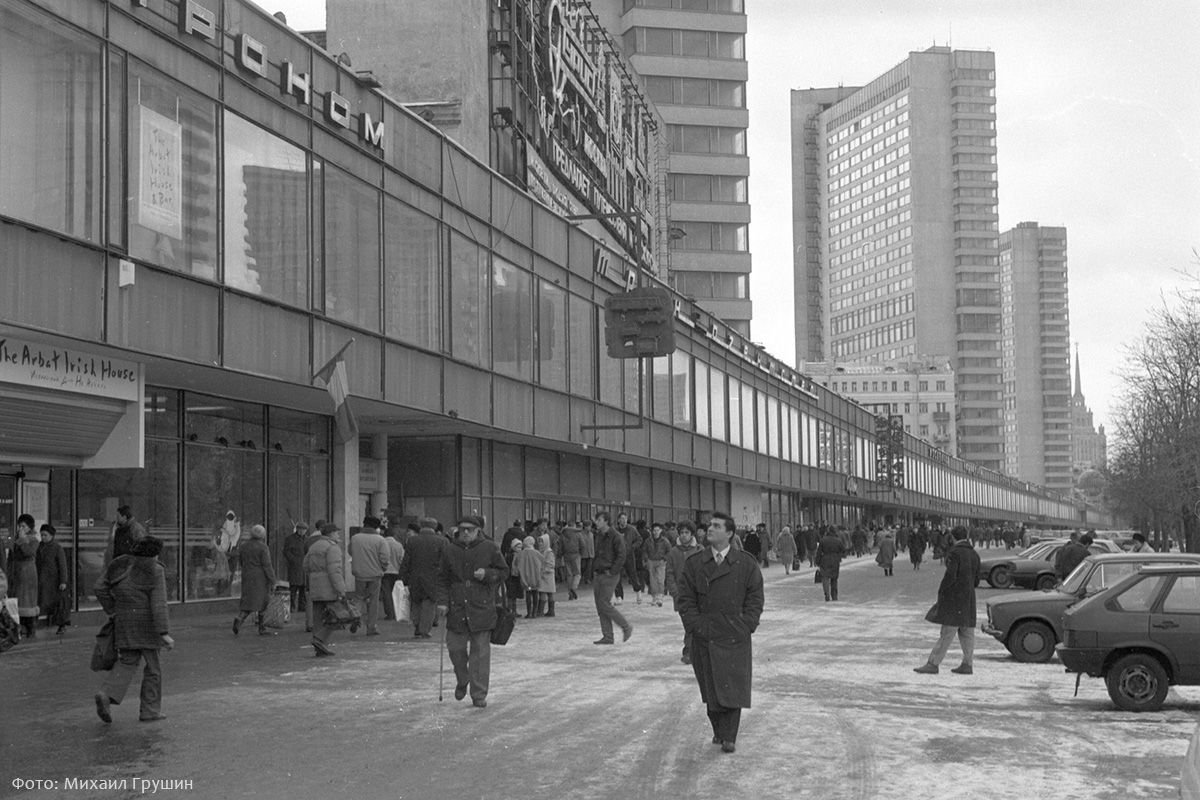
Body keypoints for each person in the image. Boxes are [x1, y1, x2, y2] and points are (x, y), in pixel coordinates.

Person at [676, 512, 764, 754]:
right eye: (710, 526)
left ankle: (729, 736)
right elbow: (685, 599)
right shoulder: (695, 563)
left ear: (729, 533)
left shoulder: (745, 563)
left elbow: (755, 597)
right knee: (711, 689)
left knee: (733, 687)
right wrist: (696, 625)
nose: (710, 529)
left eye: (716, 526)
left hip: (734, 636)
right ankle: (719, 730)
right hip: (705, 636)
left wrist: (747, 624)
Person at [93, 536, 174, 724]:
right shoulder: (154, 569)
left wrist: (113, 609)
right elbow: (159, 603)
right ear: (155, 553)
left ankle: (106, 693)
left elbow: (99, 588)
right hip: (147, 625)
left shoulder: (119, 564)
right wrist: (164, 633)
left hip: (123, 622)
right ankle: (150, 710)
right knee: (153, 668)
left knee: (127, 662)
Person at [435, 515, 507, 709]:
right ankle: (463, 677)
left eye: (470, 529)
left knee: (480, 654)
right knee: (455, 648)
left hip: (481, 607)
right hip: (457, 606)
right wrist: (442, 602)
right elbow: (441, 578)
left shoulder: (490, 548)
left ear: (478, 531)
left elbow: (503, 572)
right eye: (462, 529)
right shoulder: (450, 550)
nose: (465, 533)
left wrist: (488, 574)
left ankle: (478, 694)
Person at [914, 526, 982, 675]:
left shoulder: (955, 553)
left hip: (954, 598)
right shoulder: (974, 554)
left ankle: (933, 663)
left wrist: (943, 591)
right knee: (967, 632)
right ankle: (967, 664)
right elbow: (977, 579)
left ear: (953, 537)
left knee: (947, 633)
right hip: (969, 599)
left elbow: (950, 576)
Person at [304, 523, 347, 657]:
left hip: (315, 586)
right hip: (328, 587)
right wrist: (341, 590)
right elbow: (335, 571)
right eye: (337, 533)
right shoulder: (332, 548)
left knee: (318, 617)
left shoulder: (313, 546)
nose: (338, 535)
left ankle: (319, 647)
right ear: (331, 534)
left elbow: (305, 566)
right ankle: (320, 640)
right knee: (335, 617)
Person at [399, 520, 447, 639]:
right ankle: (425, 629)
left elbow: (406, 561)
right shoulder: (442, 541)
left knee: (416, 602)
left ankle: (417, 627)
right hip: (433, 578)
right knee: (429, 604)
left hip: (415, 577)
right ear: (434, 527)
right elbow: (445, 562)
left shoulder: (412, 540)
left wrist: (403, 577)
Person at [591, 511, 631, 645]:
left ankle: (625, 626)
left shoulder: (616, 536)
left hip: (609, 574)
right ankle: (607, 635)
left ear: (606, 521)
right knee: (600, 606)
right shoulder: (599, 536)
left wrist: (613, 571)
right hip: (598, 573)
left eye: (599, 520)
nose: (597, 522)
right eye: (596, 520)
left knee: (604, 603)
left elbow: (622, 555)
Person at [665, 520, 702, 664]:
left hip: (697, 595)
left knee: (695, 624)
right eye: (682, 533)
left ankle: (690, 651)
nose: (684, 535)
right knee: (688, 623)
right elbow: (669, 574)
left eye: (687, 532)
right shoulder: (673, 552)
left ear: (692, 534)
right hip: (681, 596)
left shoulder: (700, 550)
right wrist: (675, 592)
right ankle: (690, 650)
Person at [348, 516, 390, 636]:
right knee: (373, 600)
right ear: (376, 526)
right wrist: (383, 568)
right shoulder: (380, 540)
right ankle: (371, 627)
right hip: (375, 574)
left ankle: (355, 616)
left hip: (359, 573)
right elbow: (385, 557)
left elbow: (350, 551)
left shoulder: (355, 538)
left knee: (359, 597)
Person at [233, 525, 277, 636]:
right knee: (263, 601)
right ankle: (262, 627)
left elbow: (241, 561)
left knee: (248, 600)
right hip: (260, 577)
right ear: (262, 535)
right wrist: (272, 579)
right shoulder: (263, 547)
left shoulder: (243, 546)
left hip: (247, 574)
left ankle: (240, 618)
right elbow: (267, 565)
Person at [8, 514, 39, 639]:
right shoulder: (16, 540)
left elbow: (29, 552)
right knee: (17, 601)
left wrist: (22, 540)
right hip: (16, 573)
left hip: (27, 574)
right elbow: (11, 557)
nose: (20, 528)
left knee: (27, 602)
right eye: (19, 526)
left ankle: (30, 627)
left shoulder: (33, 540)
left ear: (29, 528)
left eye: (23, 526)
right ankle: (19, 628)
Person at [36, 523, 69, 634]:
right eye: (42, 535)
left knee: (58, 604)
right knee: (42, 601)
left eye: (45, 535)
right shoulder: (39, 547)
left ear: (51, 536)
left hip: (53, 581)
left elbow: (62, 566)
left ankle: (61, 625)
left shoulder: (57, 548)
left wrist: (63, 581)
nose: (43, 537)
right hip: (42, 580)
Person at [514, 536, 543, 618]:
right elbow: (543, 562)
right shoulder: (536, 553)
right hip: (535, 577)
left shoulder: (521, 554)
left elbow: (516, 564)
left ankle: (529, 612)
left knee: (528, 594)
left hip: (525, 578)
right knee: (535, 594)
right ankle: (534, 612)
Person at [282, 522, 309, 613]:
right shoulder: (290, 539)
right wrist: (293, 560)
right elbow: (286, 551)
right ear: (297, 529)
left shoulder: (307, 539)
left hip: (304, 567)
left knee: (303, 588)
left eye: (304, 530)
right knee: (293, 588)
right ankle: (291, 606)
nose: (302, 531)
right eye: (300, 529)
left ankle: (302, 606)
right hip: (294, 567)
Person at [643, 523, 671, 606]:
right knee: (652, 580)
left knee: (660, 579)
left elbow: (669, 551)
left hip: (661, 562)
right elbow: (644, 550)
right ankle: (654, 597)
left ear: (661, 531)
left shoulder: (665, 541)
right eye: (654, 530)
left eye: (657, 530)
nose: (655, 532)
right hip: (651, 561)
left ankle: (660, 597)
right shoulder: (648, 540)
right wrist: (646, 559)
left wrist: (665, 559)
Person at [815, 526, 846, 602]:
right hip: (835, 560)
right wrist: (839, 556)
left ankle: (827, 594)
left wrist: (817, 561)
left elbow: (819, 552)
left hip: (825, 560)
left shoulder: (823, 540)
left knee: (825, 577)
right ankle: (834, 596)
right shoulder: (838, 541)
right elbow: (844, 551)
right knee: (834, 578)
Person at [381, 527, 405, 622]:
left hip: (385, 572)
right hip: (396, 572)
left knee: (386, 594)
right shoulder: (398, 545)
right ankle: (397, 613)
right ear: (394, 535)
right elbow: (402, 559)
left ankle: (389, 613)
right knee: (397, 593)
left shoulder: (381, 544)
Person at [558, 523, 583, 600]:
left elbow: (560, 547)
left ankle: (570, 593)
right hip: (576, 555)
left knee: (569, 574)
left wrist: (560, 554)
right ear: (574, 526)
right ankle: (573, 588)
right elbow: (583, 545)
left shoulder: (563, 534)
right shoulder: (578, 534)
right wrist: (581, 553)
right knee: (577, 574)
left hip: (566, 556)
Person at [536, 534, 557, 618]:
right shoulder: (542, 551)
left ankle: (541, 611)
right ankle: (550, 611)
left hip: (547, 575)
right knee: (548, 592)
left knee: (544, 592)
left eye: (542, 541)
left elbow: (551, 564)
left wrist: (544, 570)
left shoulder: (548, 552)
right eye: (539, 542)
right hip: (546, 575)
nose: (540, 543)